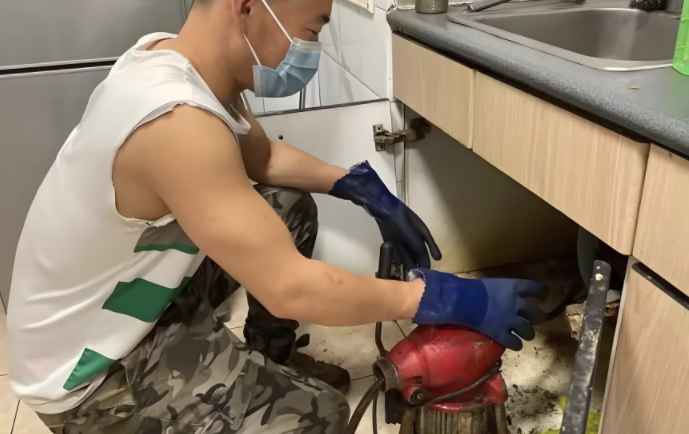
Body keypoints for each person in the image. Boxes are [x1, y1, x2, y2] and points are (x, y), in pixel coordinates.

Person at [6, 0, 547, 432]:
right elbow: (291, 288)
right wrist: (438, 297)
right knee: (318, 416)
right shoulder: (177, 122)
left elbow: (262, 158)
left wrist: (359, 186)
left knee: (287, 208)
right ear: (247, 7)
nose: (311, 50)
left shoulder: (173, 62)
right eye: (311, 30)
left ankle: (271, 362)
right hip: (91, 372)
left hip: (126, 301)